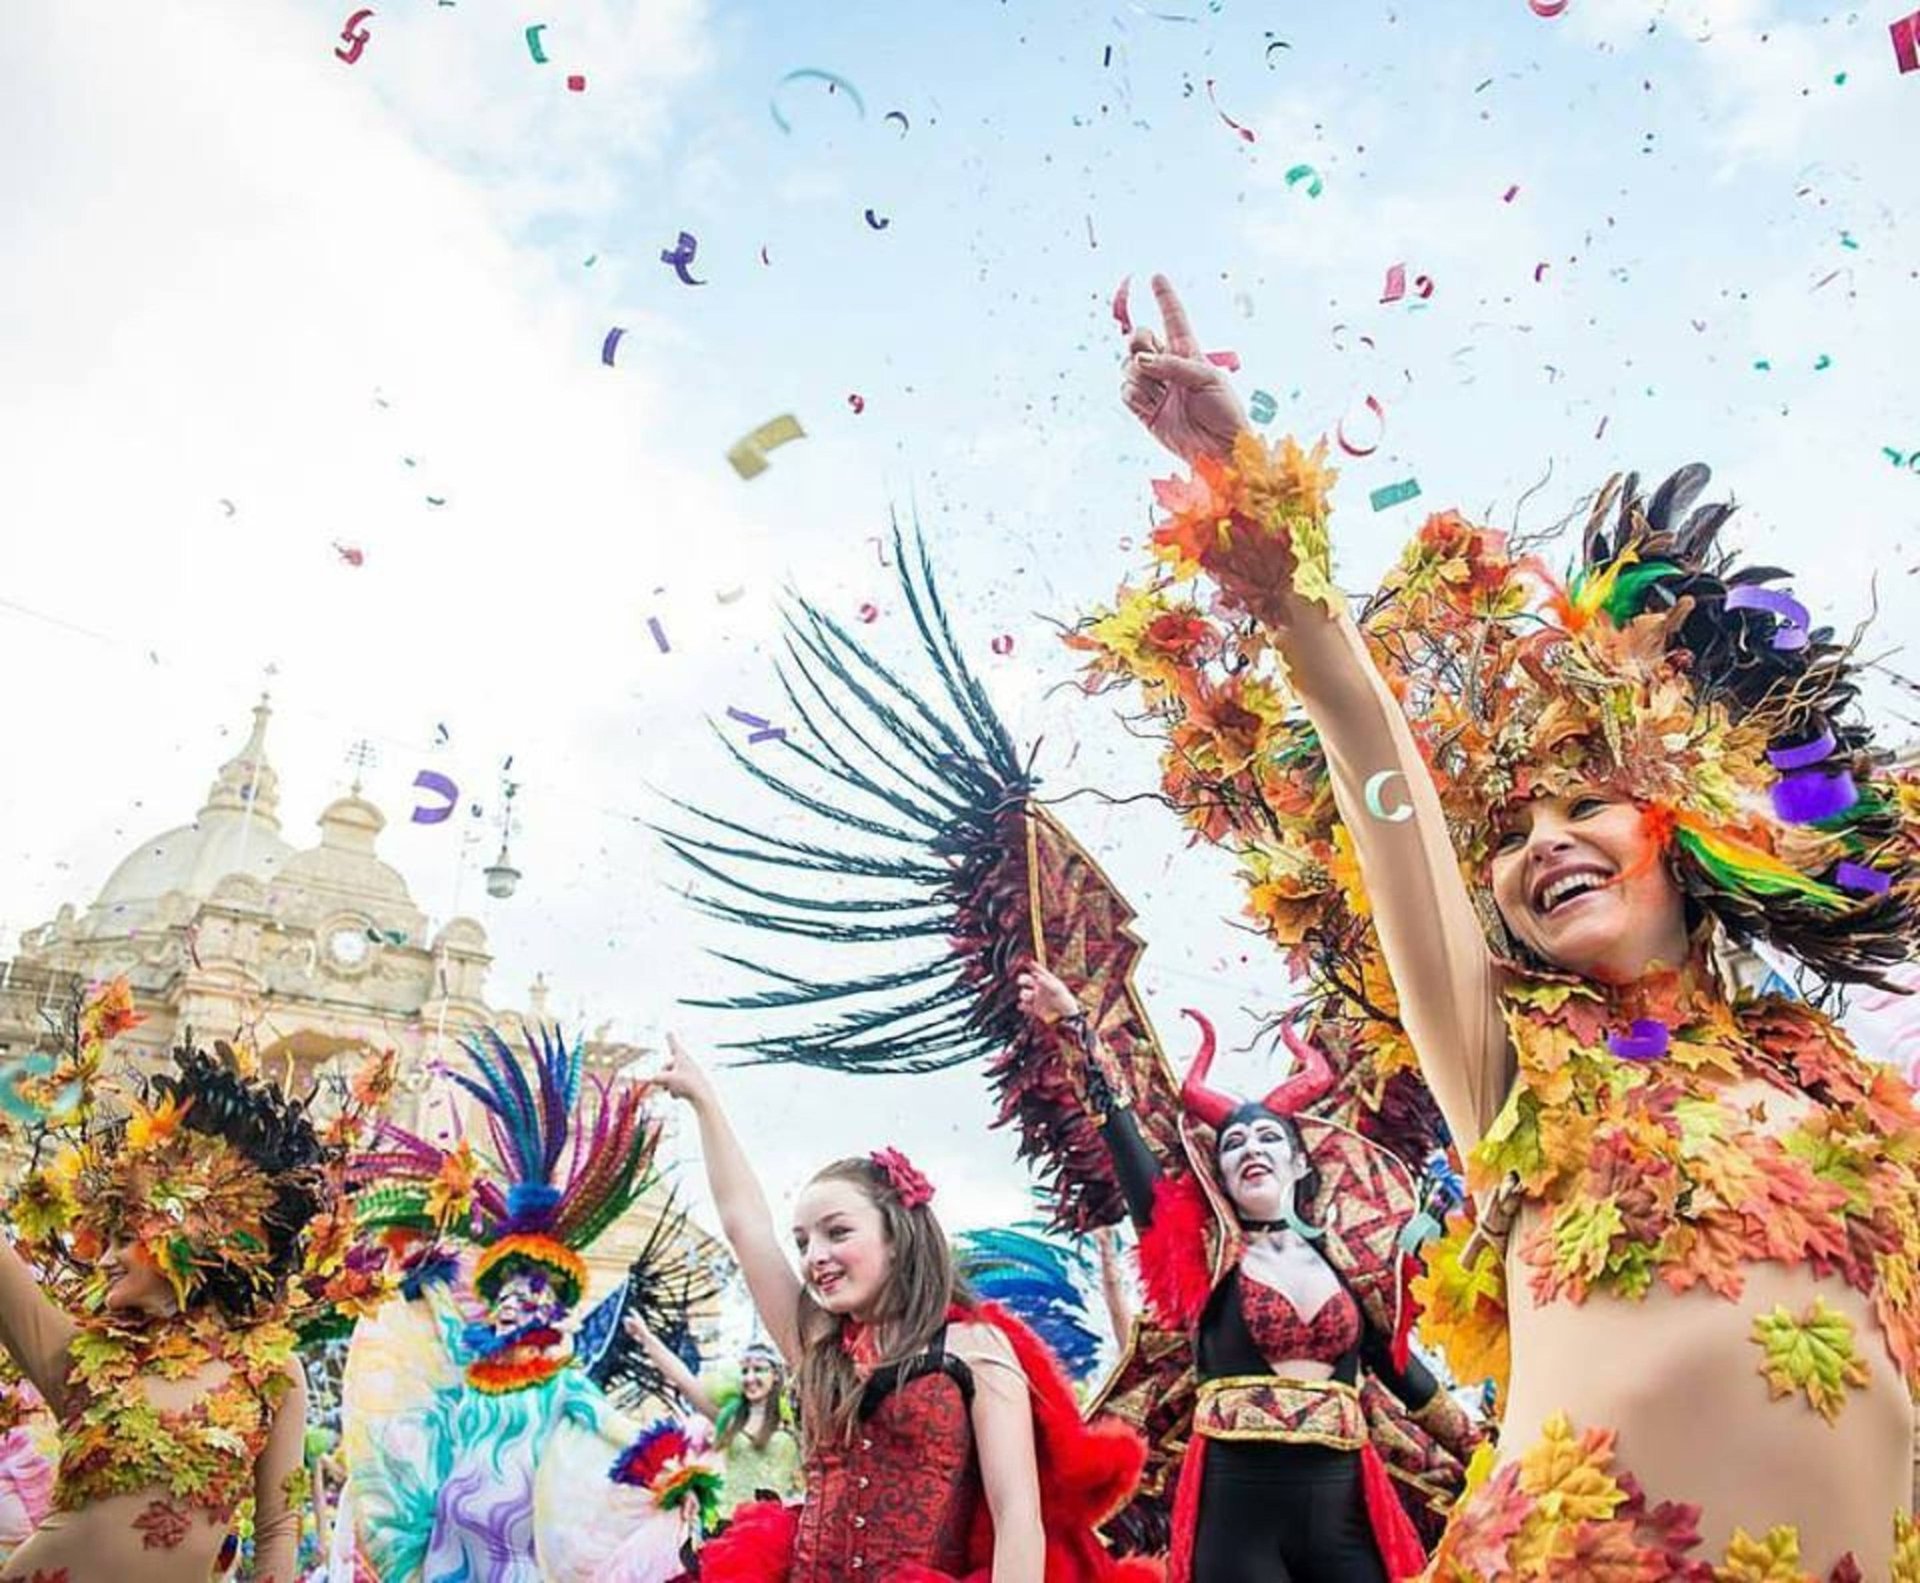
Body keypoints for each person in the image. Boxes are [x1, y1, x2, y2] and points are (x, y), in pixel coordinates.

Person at [1097, 273, 1920, 1574]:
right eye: (1511, 832)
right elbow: (1374, 760)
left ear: (1683, 815)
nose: (1541, 842)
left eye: (1584, 798)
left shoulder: (1865, 1103)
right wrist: (1241, 479)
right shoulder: (1505, 1049)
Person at [1018, 962, 1476, 1582]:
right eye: (1233, 1144)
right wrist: (1075, 1025)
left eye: (1267, 1139)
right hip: (1236, 1510)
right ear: (1220, 1173)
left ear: (1296, 1161)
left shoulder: (1354, 1264)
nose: (1251, 1149)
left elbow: (1402, 1373)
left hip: (1346, 1502)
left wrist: (1484, 1451)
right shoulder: (1203, 1253)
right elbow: (1125, 1143)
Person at [655, 1036, 1156, 1583]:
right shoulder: (817, 1341)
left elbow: (1017, 1516)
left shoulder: (974, 1349)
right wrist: (704, 1102)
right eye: (802, 1242)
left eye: (837, 1232)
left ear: (897, 1237)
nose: (815, 1256)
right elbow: (745, 1224)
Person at [337, 1022, 711, 1583]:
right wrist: (425, 1278)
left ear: (552, 1308)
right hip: (446, 1553)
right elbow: (435, 1342)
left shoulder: (562, 1383)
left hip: (516, 1561)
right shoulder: (471, 1375)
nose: (511, 1302)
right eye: (504, 1291)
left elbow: (616, 1430)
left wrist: (676, 1468)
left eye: (528, 1291)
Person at [0, 981, 327, 1583]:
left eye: (125, 1240)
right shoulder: (77, 1357)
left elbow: (279, 1529)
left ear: (189, 1238)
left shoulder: (272, 1372)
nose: (103, 1260)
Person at [622, 1319, 802, 1514]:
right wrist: (646, 1336)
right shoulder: (731, 1419)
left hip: (776, 1526)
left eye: (758, 1369)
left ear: (776, 1375)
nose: (750, 1378)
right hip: (730, 1522)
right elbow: (684, 1379)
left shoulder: (794, 1420)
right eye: (744, 1371)